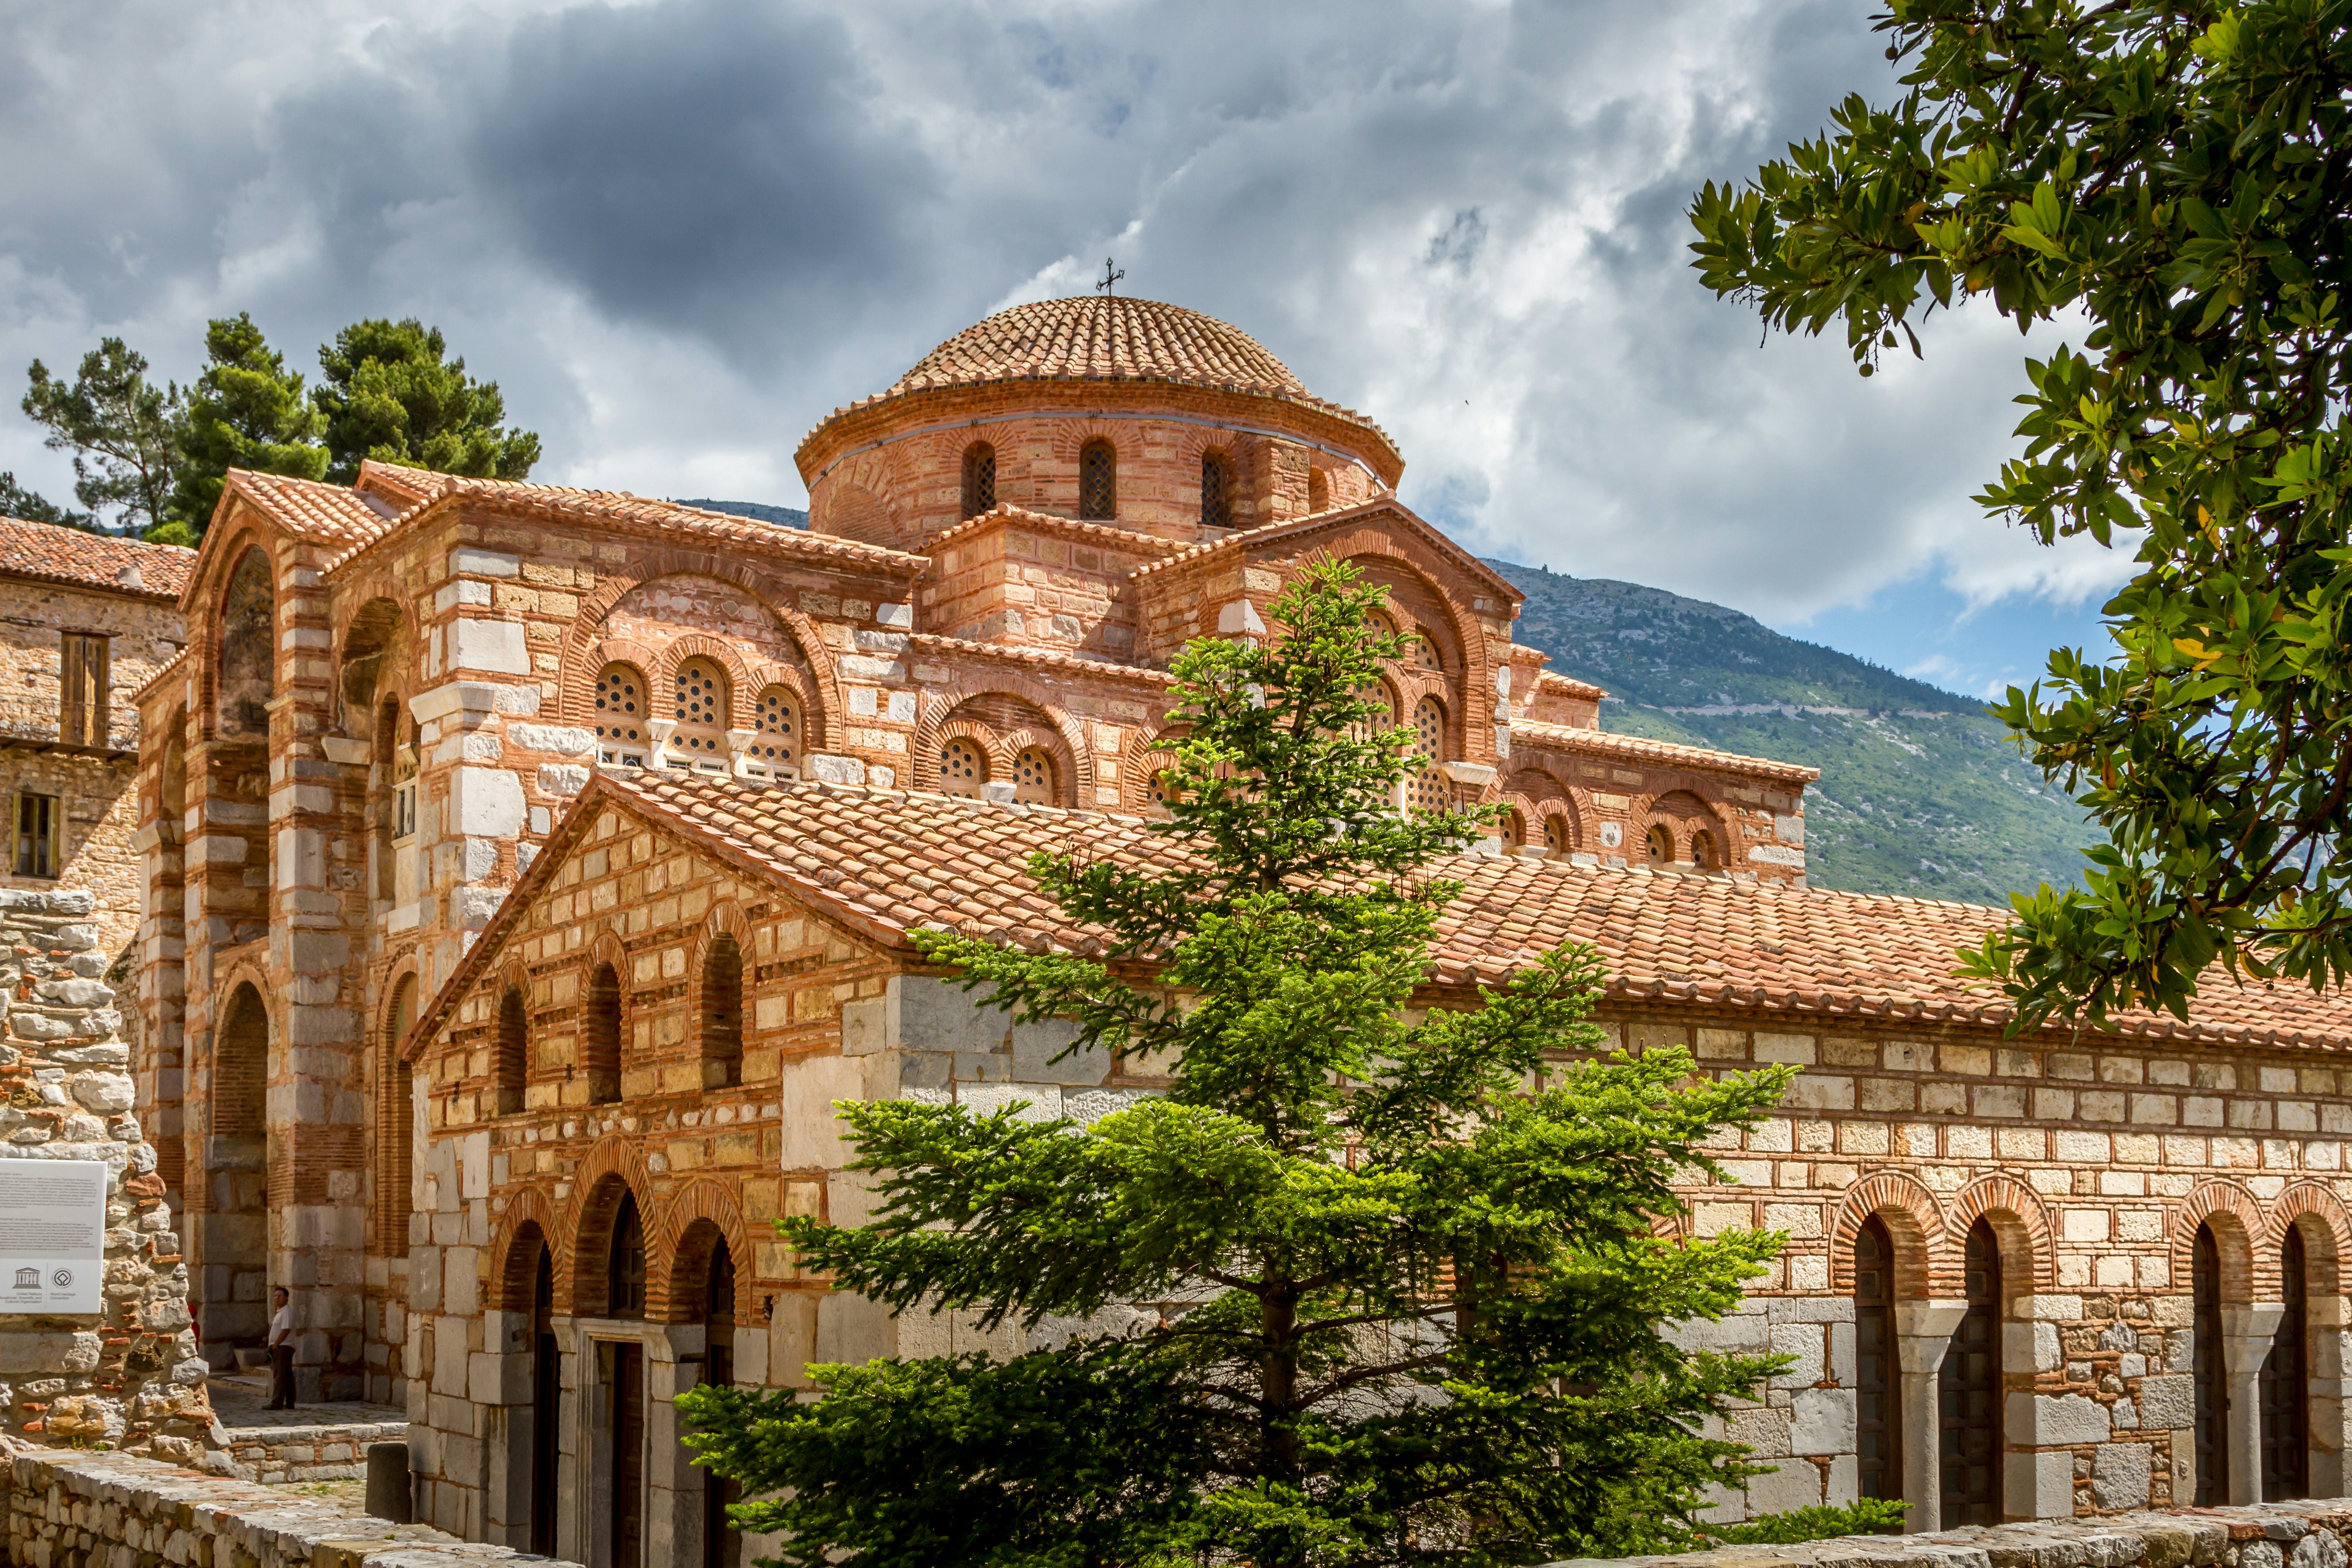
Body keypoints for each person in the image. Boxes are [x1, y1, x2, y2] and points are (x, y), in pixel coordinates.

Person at [265, 1287, 296, 1410]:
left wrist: (276, 1344)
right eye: (275, 1296)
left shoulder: (286, 1312)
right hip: (281, 1347)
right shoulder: (280, 1312)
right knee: (287, 1375)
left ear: (287, 1298)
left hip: (283, 1347)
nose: (277, 1298)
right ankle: (290, 1402)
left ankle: (277, 1403)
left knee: (279, 1376)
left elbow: (286, 1330)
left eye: (280, 1296)